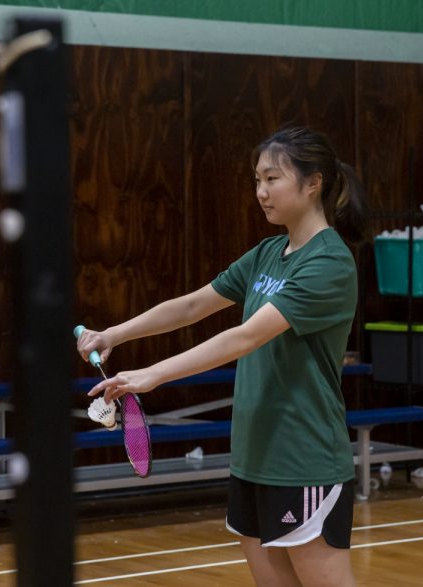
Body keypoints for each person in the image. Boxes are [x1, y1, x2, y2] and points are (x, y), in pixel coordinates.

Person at [76, 126, 369, 587]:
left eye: (272, 179)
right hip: (253, 456)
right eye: (257, 180)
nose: (261, 192)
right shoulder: (270, 253)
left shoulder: (329, 263)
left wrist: (153, 374)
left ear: (313, 183)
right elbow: (194, 304)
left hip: (304, 459)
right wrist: (115, 333)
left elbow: (245, 337)